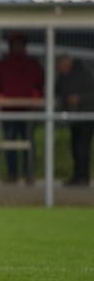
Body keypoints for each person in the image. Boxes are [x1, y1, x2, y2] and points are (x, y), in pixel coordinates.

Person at [0, 33, 43, 183]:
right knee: (10, 143)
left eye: (20, 44)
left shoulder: (32, 64)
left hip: (28, 111)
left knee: (28, 143)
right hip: (9, 111)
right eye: (14, 44)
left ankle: (29, 173)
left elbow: (40, 84)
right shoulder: (3, 64)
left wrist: (36, 96)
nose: (17, 47)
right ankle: (12, 174)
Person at [55, 55, 94, 186]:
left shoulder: (84, 75)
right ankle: (78, 176)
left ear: (67, 64)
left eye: (60, 65)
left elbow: (91, 95)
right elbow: (59, 92)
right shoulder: (63, 77)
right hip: (74, 117)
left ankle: (83, 176)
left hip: (86, 117)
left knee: (82, 148)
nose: (58, 68)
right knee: (76, 147)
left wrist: (79, 99)